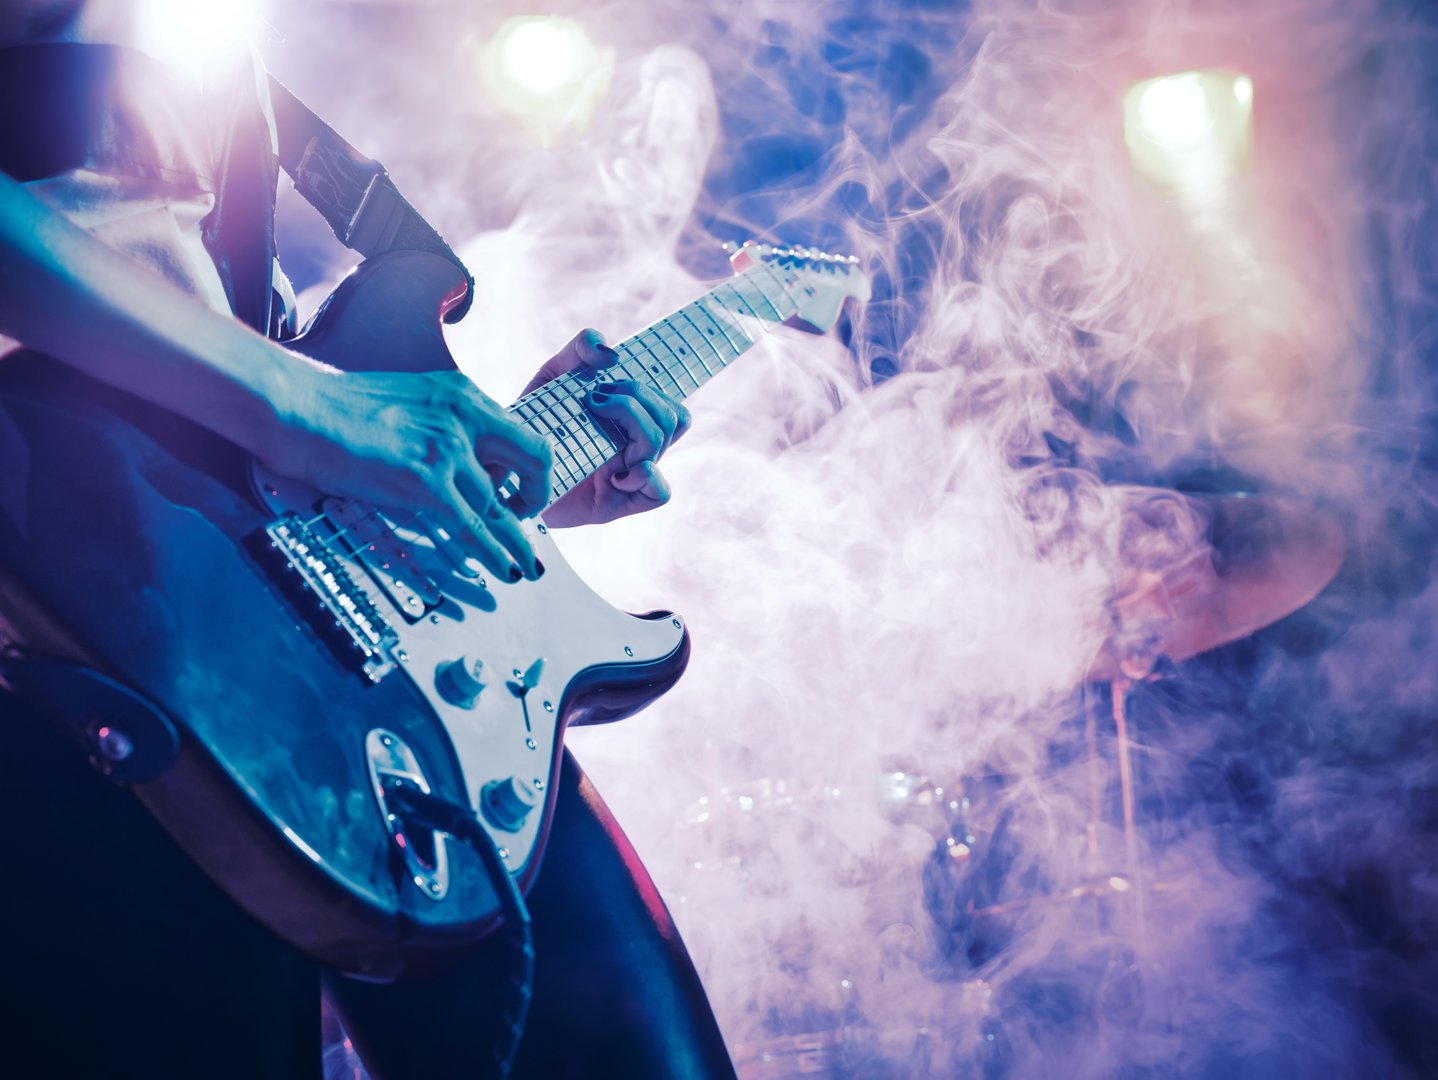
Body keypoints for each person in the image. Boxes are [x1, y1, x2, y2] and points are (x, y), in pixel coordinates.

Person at [0, 4, 735, 1077]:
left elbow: (219, 360)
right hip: (73, 611)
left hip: (284, 641)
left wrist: (475, 478)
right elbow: (286, 400)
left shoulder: (234, 65)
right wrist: (309, 406)